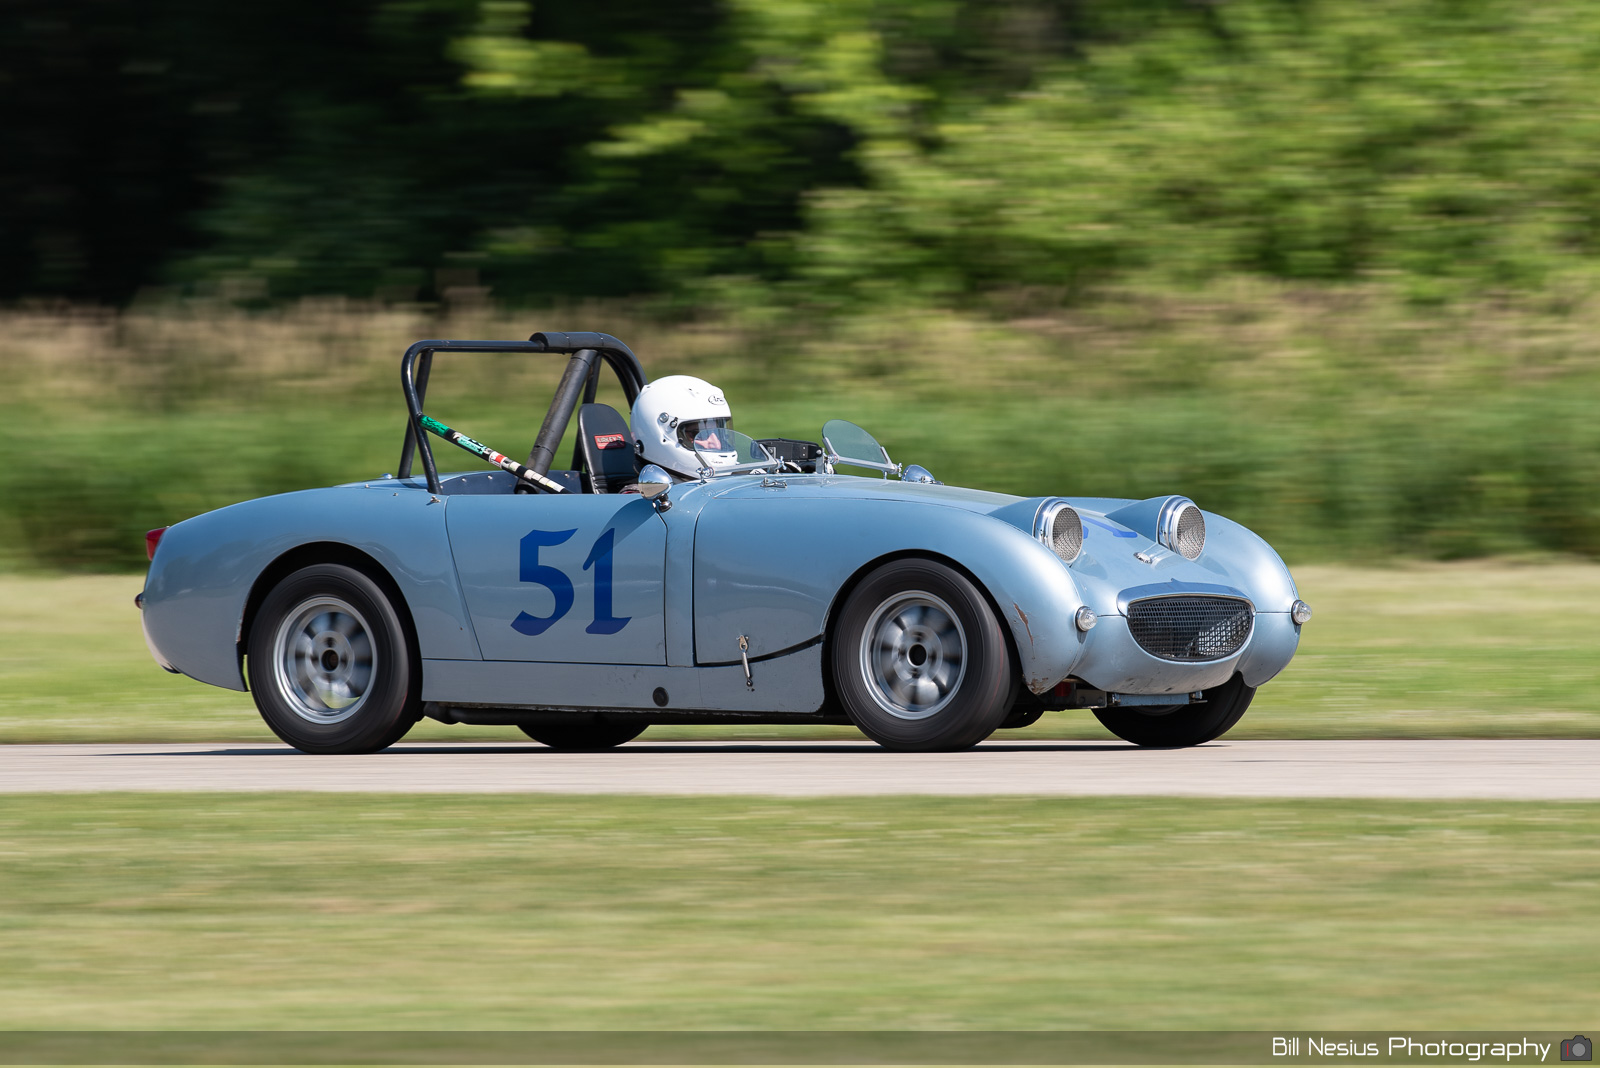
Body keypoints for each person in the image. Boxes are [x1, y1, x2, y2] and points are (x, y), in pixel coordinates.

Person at [629, 374, 737, 479]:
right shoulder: (641, 495)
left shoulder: (739, 480)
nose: (716, 444)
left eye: (719, 433)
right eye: (697, 434)